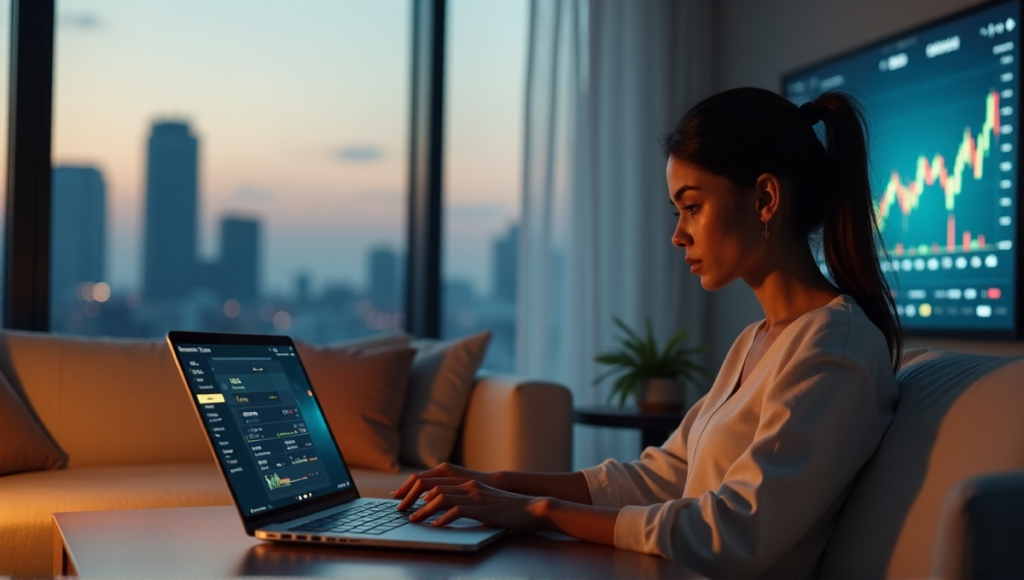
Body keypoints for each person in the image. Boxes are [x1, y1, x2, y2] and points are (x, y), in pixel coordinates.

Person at [391, 87, 901, 578]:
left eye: (693, 207)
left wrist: (538, 510)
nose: (678, 234)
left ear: (765, 199)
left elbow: (730, 534)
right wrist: (492, 483)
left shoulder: (834, 348)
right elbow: (664, 475)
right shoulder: (758, 339)